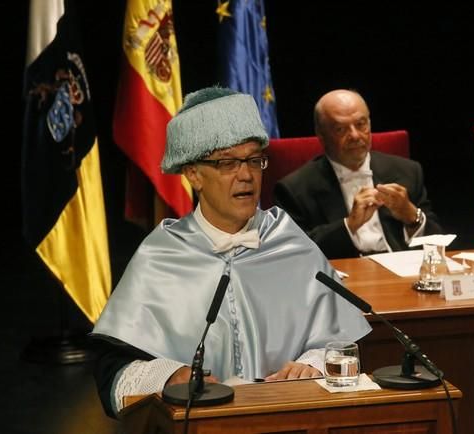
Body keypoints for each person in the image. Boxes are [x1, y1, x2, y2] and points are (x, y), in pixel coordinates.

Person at [91, 87, 372, 418]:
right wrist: (170, 375)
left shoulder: (290, 242)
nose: (246, 175)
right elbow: (115, 369)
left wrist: (312, 366)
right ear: (194, 174)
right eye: (228, 162)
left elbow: (341, 344)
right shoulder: (161, 254)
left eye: (254, 160)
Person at [274, 89, 442, 259]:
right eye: (340, 129)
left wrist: (412, 216)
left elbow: (439, 243)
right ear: (321, 135)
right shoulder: (295, 189)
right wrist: (349, 224)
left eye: (361, 124)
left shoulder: (407, 171)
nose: (354, 135)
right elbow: (293, 252)